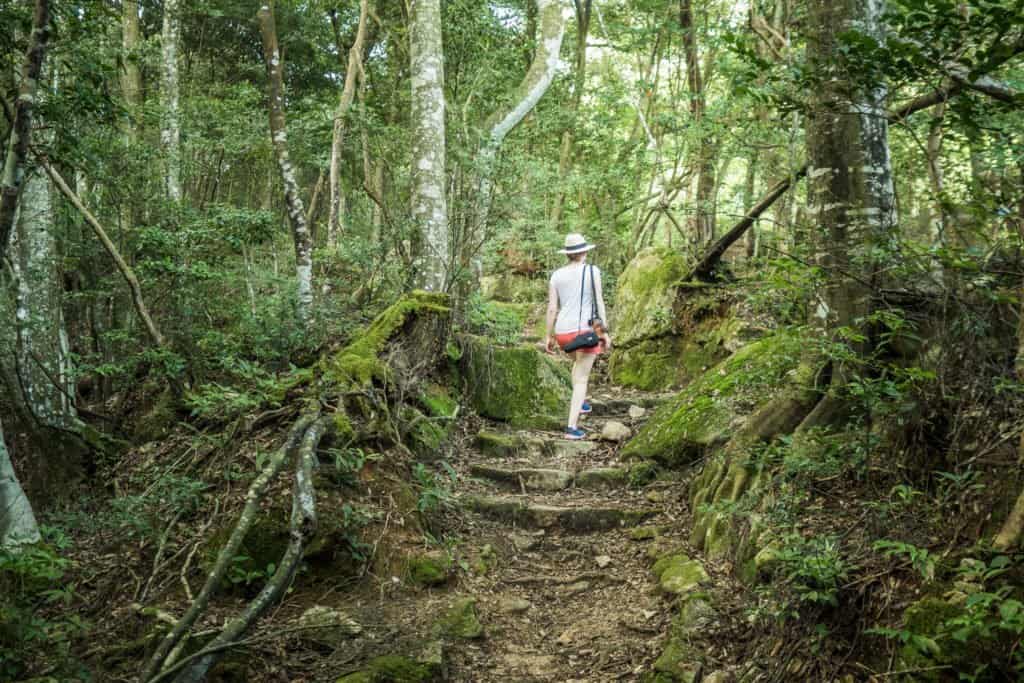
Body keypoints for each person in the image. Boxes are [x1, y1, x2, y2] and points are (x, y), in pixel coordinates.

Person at [543, 233, 612, 440]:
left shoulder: (556, 275)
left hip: (563, 333)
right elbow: (599, 302)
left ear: (568, 254)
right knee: (581, 379)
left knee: (577, 365)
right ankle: (571, 427)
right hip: (584, 332)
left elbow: (552, 308)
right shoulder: (593, 271)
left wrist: (548, 336)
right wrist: (605, 332)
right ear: (583, 252)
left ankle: (580, 402)